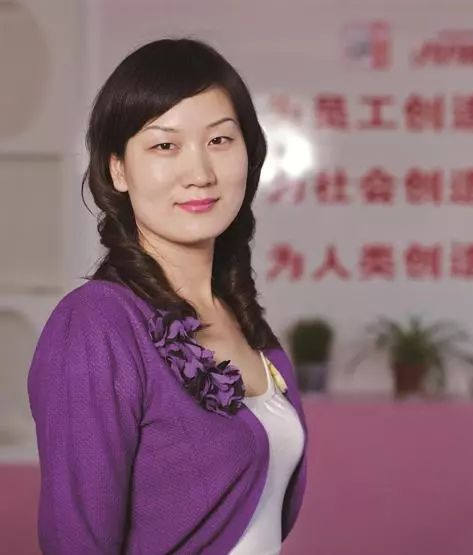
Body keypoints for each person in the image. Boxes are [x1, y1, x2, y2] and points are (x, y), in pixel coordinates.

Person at [27, 38, 308, 555]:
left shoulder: (245, 321)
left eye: (220, 140)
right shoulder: (96, 325)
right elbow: (76, 541)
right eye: (165, 146)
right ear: (117, 168)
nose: (200, 174)